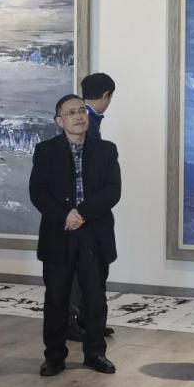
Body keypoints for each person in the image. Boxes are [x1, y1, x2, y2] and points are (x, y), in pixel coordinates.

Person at [30, 94, 121, 377]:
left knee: (95, 299)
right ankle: (54, 357)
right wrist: (64, 216)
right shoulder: (45, 151)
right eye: (71, 112)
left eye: (82, 110)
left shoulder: (106, 150)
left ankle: (95, 354)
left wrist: (80, 213)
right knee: (56, 299)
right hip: (59, 234)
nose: (79, 116)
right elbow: (38, 192)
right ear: (60, 121)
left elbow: (113, 190)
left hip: (94, 234)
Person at [68, 73, 118, 342]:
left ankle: (88, 320)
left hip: (83, 212)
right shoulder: (89, 123)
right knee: (82, 272)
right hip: (83, 214)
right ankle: (74, 321)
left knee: (90, 270)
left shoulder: (83, 118)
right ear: (107, 95)